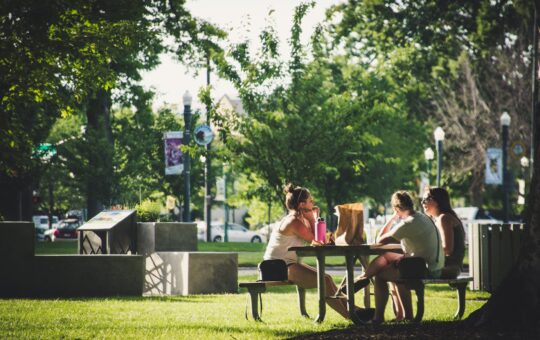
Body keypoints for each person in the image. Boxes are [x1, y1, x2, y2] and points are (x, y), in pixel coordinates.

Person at [343, 191, 444, 323]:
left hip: (426, 269)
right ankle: (364, 278)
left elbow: (380, 239)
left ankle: (378, 317)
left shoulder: (407, 223)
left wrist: (392, 218)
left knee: (380, 276)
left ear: (396, 209)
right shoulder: (422, 217)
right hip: (430, 265)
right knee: (387, 256)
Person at [263, 183, 352, 320]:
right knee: (325, 281)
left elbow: (318, 239)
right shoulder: (294, 222)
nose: (313, 203)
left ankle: (354, 311)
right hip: (276, 268)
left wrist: (311, 218)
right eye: (310, 201)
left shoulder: (298, 220)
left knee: (327, 279)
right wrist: (312, 218)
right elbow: (318, 241)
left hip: (284, 265)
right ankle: (350, 316)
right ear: (301, 205)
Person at [421, 187, 465, 279]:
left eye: (426, 199)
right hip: (445, 265)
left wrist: (424, 253)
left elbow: (448, 250)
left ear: (438, 201)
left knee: (406, 271)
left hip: (449, 267)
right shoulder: (441, 218)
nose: (422, 202)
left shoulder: (444, 218)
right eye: (422, 199)